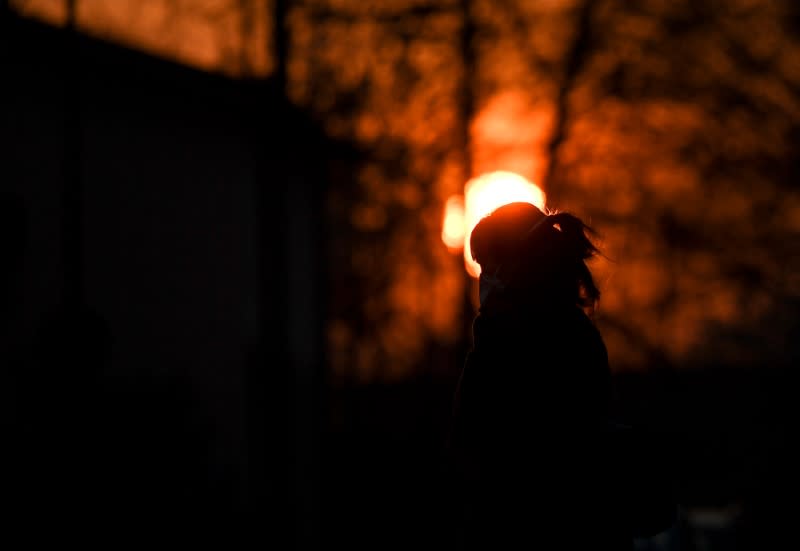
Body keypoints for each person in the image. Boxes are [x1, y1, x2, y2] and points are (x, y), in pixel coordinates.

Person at [447, 201, 675, 550]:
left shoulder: (522, 337)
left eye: (488, 265)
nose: (484, 277)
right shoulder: (569, 331)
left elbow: (488, 439)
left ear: (515, 264)